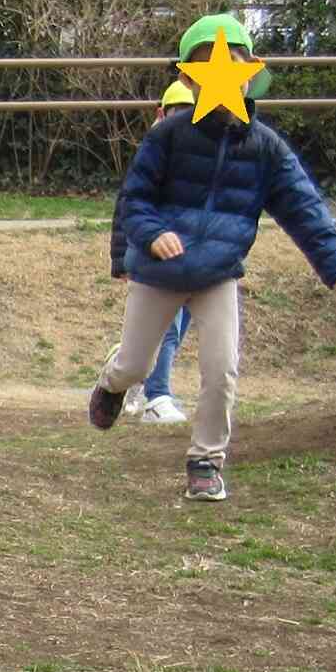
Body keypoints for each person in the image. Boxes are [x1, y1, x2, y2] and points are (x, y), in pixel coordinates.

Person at [88, 13, 336, 504]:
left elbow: (305, 210)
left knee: (222, 370)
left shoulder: (266, 149)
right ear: (188, 79)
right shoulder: (167, 136)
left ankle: (206, 460)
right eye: (203, 67)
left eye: (232, 62)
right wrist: (153, 236)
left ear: (251, 71)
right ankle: (114, 381)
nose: (219, 73)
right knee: (136, 364)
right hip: (159, 272)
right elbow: (134, 200)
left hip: (218, 274)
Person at [113, 80, 200, 425]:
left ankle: (137, 384)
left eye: (189, 112)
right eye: (176, 111)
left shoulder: (201, 151)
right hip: (155, 258)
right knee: (167, 328)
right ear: (161, 113)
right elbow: (127, 208)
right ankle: (156, 395)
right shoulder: (151, 152)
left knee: (169, 331)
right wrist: (122, 258)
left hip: (193, 258)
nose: (182, 119)